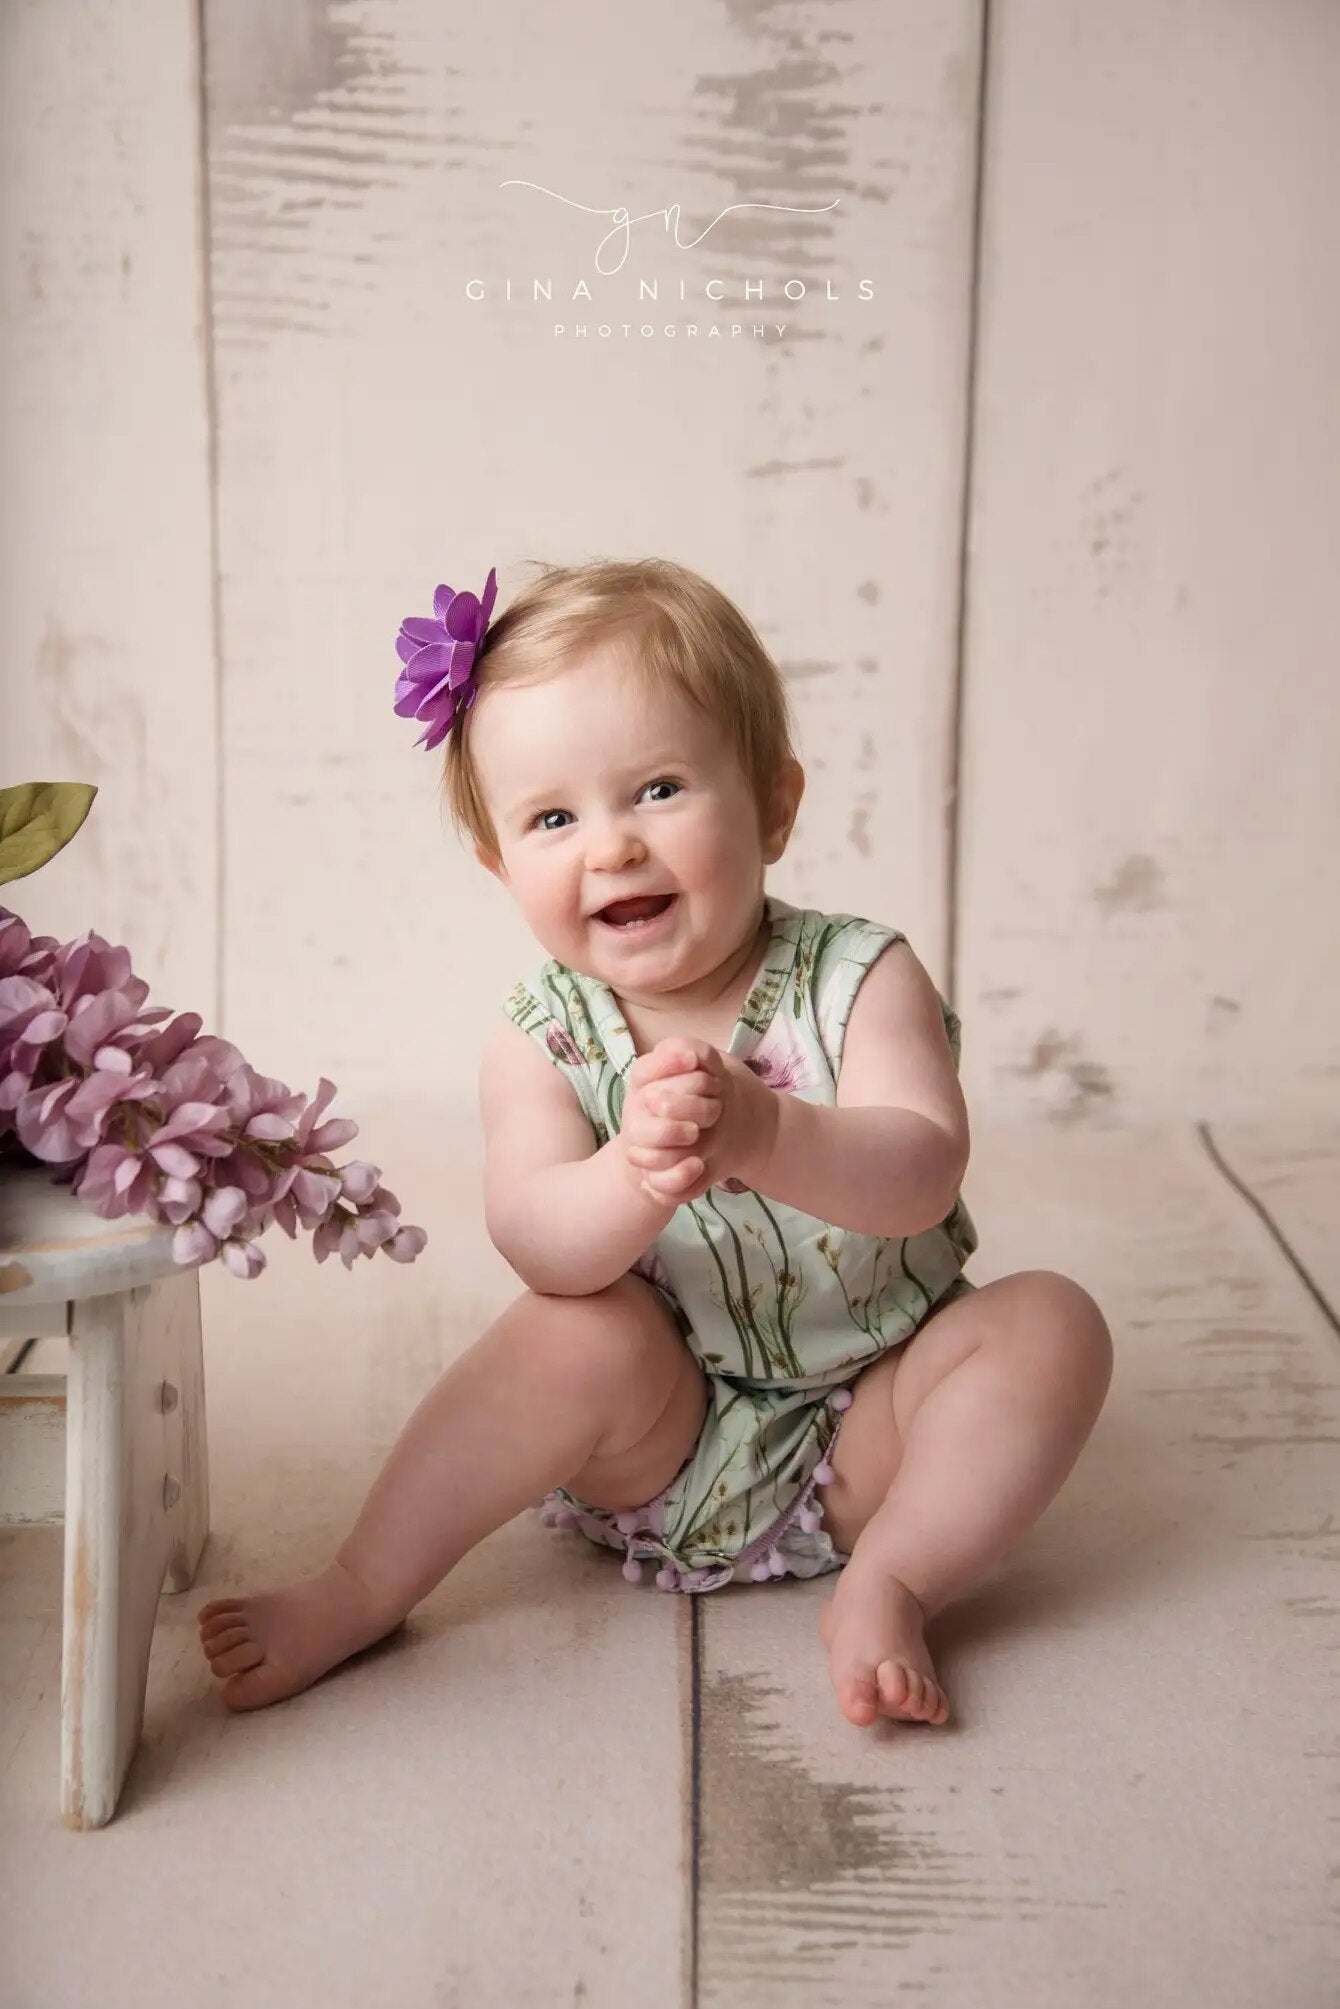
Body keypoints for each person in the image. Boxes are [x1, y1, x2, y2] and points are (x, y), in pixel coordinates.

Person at [198, 557, 1113, 1729]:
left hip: (877, 1428)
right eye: (552, 818)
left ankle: (892, 1579)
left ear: (774, 805)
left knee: (1047, 1325)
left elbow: (923, 1168)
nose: (611, 848)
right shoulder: (541, 1035)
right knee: (565, 1333)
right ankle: (361, 1585)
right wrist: (628, 1173)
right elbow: (540, 1243)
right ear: (499, 863)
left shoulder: (855, 976)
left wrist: (769, 1127)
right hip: (656, 1436)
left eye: (660, 788)